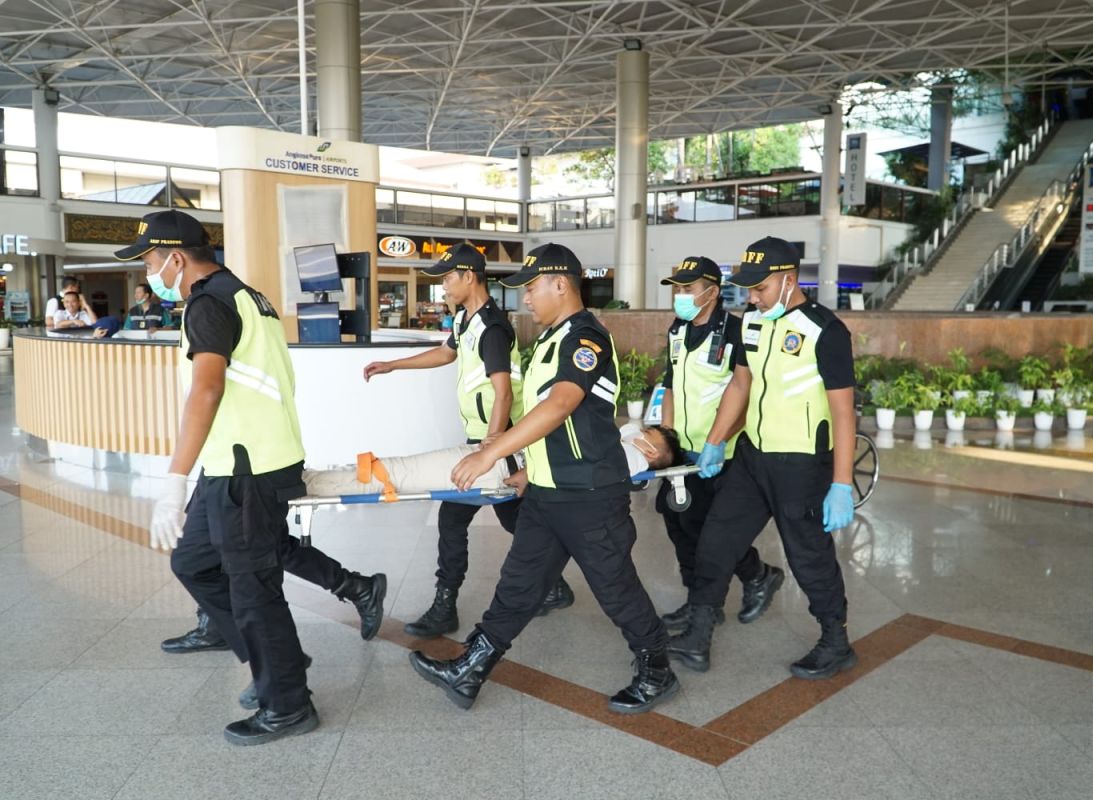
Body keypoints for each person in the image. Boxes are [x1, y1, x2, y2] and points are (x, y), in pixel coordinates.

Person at [115, 209, 386, 745]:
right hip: (237, 465)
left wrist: (173, 480)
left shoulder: (208, 303)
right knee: (193, 561)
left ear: (174, 257)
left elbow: (207, 389)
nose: (147, 271)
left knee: (253, 588)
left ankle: (286, 702)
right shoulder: (244, 295)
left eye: (148, 260)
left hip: (247, 469)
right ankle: (279, 660)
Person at [409, 243, 680, 715]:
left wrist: (491, 452)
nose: (526, 298)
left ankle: (658, 669)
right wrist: (530, 472)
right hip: (549, 492)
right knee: (517, 584)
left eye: (532, 287)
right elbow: (553, 425)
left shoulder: (586, 339)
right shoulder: (548, 342)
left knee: (616, 589)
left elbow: (560, 406)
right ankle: (469, 668)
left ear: (561, 284)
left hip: (591, 494)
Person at [668, 237, 858, 680]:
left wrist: (841, 483)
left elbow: (843, 412)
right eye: (749, 290)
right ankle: (698, 634)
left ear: (789, 281)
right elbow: (740, 385)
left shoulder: (825, 331)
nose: (752, 298)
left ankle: (835, 638)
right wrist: (717, 440)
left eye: (761, 289)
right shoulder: (753, 323)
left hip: (802, 463)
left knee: (808, 555)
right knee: (716, 540)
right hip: (752, 457)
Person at [364, 243, 574, 639]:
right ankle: (555, 585)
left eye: (447, 278)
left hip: (496, 443)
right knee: (517, 518)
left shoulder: (492, 327)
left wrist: (489, 451)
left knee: (452, 515)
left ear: (469, 277)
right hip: (488, 442)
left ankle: (445, 606)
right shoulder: (465, 320)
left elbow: (504, 393)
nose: (443, 287)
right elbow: (445, 354)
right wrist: (393, 365)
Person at [656, 256, 784, 651]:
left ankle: (754, 578)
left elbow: (745, 394)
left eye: (688, 288)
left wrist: (716, 441)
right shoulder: (677, 330)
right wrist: (666, 438)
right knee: (680, 526)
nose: (681, 296)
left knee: (715, 536)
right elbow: (671, 386)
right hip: (684, 452)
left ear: (712, 290)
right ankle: (702, 602)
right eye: (677, 288)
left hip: (722, 454)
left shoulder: (735, 330)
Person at [301, 423, 685, 497]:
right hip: (502, 456)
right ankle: (314, 477)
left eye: (647, 434)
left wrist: (527, 473)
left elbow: (586, 460)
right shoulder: (628, 442)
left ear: (652, 451)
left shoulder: (635, 458)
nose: (638, 430)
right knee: (398, 468)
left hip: (504, 467)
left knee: (396, 474)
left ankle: (309, 483)